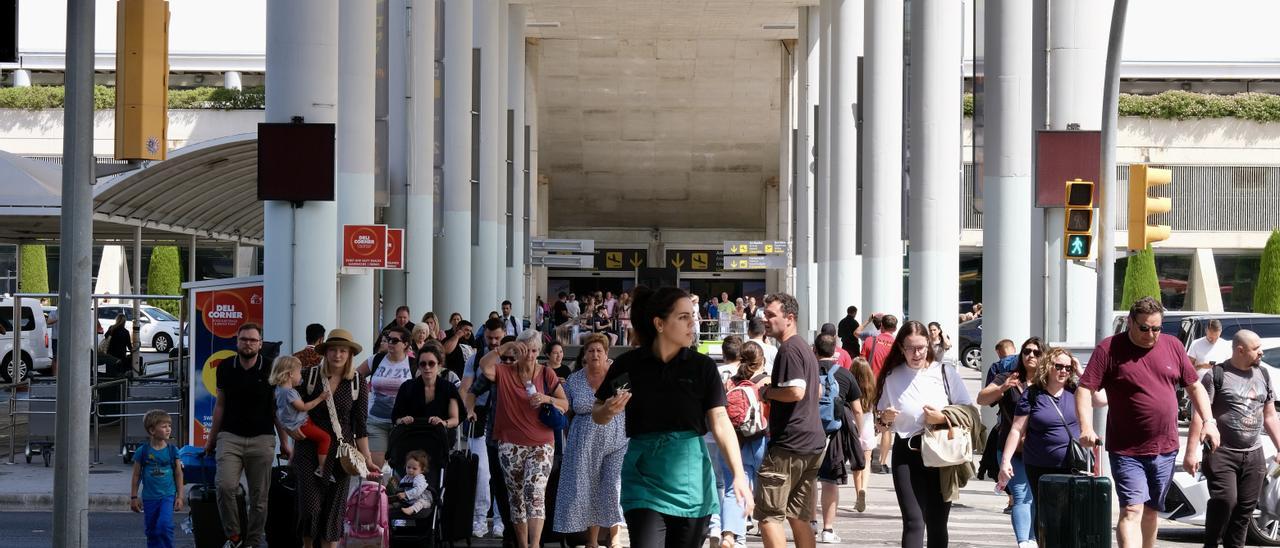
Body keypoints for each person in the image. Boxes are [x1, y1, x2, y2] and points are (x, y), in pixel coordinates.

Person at [593, 286, 753, 548]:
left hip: (691, 480)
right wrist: (608, 410)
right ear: (659, 323)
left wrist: (738, 474)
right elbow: (598, 414)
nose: (693, 323)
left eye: (693, 315)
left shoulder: (703, 367)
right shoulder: (629, 365)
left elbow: (721, 421)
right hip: (642, 477)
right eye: (683, 317)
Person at [1078, 297, 1219, 548]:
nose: (1151, 334)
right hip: (1126, 449)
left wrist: (1209, 421)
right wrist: (1086, 427)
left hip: (1165, 448)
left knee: (1152, 511)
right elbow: (1084, 389)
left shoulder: (1173, 346)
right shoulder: (1109, 348)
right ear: (1131, 322)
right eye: (1144, 328)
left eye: (1156, 328)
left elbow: (1195, 386)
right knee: (1132, 510)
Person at [873, 320, 974, 548]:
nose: (916, 353)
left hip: (941, 453)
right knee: (914, 521)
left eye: (921, 347)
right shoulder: (892, 376)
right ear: (901, 348)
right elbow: (881, 421)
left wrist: (942, 418)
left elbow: (969, 411)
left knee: (937, 522)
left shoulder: (945, 372)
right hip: (906, 453)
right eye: (910, 348)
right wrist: (884, 418)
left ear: (929, 345)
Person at [1183, 330, 1280, 548]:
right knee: (1225, 501)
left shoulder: (1263, 374)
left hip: (1253, 454)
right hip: (1222, 453)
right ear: (1240, 350)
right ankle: (1212, 543)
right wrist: (1191, 453)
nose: (1261, 353)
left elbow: (1270, 414)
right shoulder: (1216, 375)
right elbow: (1199, 414)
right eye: (1256, 349)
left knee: (1244, 509)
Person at [1000, 347, 1106, 544]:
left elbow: (1101, 400)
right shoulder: (1033, 394)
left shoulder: (1076, 390)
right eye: (1059, 366)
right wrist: (1006, 461)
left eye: (1068, 367)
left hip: (1074, 464)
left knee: (1073, 515)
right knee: (1047, 515)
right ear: (1048, 366)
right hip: (1040, 465)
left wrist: (1081, 371)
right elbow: (1016, 430)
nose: (1064, 371)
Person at [204, 323, 294, 548]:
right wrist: (211, 439)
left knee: (259, 499)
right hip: (229, 437)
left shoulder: (271, 368)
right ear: (237, 342)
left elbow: (277, 410)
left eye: (253, 340)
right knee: (225, 486)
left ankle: (253, 541)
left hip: (262, 438)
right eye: (244, 339)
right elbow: (220, 406)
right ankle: (234, 536)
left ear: (260, 344)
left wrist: (285, 441)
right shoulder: (225, 367)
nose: (248, 344)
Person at [478, 332, 568, 548]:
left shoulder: (546, 374)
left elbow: (565, 404)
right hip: (510, 444)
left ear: (539, 352)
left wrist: (547, 398)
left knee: (534, 491)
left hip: (541, 444)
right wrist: (506, 346)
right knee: (516, 497)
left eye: (534, 351)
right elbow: (484, 366)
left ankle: (535, 545)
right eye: (525, 350)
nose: (530, 355)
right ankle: (523, 545)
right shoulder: (504, 371)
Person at [292, 328, 374, 547]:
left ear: (349, 355)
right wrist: (289, 431)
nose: (338, 355)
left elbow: (360, 424)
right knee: (310, 509)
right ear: (325, 352)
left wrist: (366, 458)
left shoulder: (357, 381)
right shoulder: (309, 376)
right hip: (309, 450)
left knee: (333, 512)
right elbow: (285, 406)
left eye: (343, 351)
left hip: (341, 454)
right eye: (333, 350)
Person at [755, 293, 824, 548]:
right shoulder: (805, 348)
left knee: (769, 516)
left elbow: (797, 391)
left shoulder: (788, 349)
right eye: (765, 313)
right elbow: (816, 392)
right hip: (812, 443)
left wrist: (767, 392)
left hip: (788, 446)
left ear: (790, 318)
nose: (765, 318)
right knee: (799, 516)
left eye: (771, 314)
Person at [554, 334, 627, 548]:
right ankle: (592, 541)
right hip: (584, 445)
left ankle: (615, 537)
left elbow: (630, 405)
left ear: (606, 354)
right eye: (591, 350)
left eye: (599, 351)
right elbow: (565, 410)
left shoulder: (619, 376)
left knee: (614, 487)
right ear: (585, 355)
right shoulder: (575, 380)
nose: (595, 354)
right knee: (590, 490)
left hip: (617, 442)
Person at [976, 337, 1043, 546]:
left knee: (1039, 499)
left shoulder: (1048, 381)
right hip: (1011, 449)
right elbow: (982, 399)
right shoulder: (1009, 377)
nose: (1030, 356)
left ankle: (1036, 538)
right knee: (1022, 495)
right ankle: (1026, 542)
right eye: (1027, 352)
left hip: (1043, 451)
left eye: (1036, 352)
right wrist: (1002, 388)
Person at [717, 343, 770, 548]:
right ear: (761, 360)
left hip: (733, 441)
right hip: (758, 440)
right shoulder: (766, 381)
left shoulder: (730, 382)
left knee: (733, 489)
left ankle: (731, 535)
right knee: (763, 488)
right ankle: (763, 526)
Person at [812, 333, 863, 544]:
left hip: (808, 433)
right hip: (835, 435)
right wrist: (857, 433)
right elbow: (858, 410)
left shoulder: (807, 371)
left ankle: (810, 522)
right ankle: (828, 530)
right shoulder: (844, 374)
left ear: (814, 350)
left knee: (808, 480)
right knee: (830, 482)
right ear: (835, 351)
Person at [460, 318, 508, 539]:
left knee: (503, 472)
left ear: (504, 334)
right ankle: (479, 518)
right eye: (490, 338)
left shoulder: (510, 356)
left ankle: (501, 519)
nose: (494, 342)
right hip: (480, 416)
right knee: (482, 472)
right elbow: (466, 388)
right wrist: (467, 411)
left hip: (505, 418)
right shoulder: (476, 358)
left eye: (497, 338)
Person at [355, 326, 415, 469]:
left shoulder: (413, 364)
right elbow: (355, 377)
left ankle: (394, 492)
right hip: (376, 421)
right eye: (388, 339)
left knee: (403, 469)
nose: (390, 343)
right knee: (375, 468)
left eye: (395, 340)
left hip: (403, 423)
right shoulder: (376, 360)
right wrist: (362, 398)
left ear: (405, 344)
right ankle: (376, 491)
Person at [270, 355, 334, 481]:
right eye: (299, 372)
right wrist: (321, 398)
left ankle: (291, 465)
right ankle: (322, 468)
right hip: (302, 424)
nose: (301, 376)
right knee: (325, 438)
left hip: (295, 424)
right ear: (290, 374)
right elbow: (303, 407)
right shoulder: (290, 393)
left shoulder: (278, 389)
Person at [130, 409, 184, 548]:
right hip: (149, 498)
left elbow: (178, 474)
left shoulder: (172, 451)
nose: (168, 429)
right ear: (152, 430)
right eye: (164, 426)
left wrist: (180, 496)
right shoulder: (142, 451)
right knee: (152, 531)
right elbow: (136, 475)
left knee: (164, 527)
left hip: (167, 496)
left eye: (169, 426)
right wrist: (133, 497)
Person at [391, 341, 461, 433]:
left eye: (431, 363)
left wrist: (443, 423)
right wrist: (403, 420)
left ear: (439, 365)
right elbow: (396, 417)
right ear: (418, 366)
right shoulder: (407, 387)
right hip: (411, 434)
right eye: (423, 364)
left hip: (439, 435)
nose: (427, 367)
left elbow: (455, 419)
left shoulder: (449, 388)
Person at [864, 314, 899, 474]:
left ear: (881, 326)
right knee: (886, 428)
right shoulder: (897, 345)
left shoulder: (870, 341)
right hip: (888, 390)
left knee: (866, 424)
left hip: (870, 388)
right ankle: (882, 463)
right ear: (895, 328)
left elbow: (862, 365)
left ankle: (867, 458)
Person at [850, 357, 876, 513]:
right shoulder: (872, 387)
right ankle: (863, 489)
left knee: (856, 464)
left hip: (854, 425)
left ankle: (857, 492)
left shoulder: (850, 386)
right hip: (867, 424)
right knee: (867, 461)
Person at [396, 450, 435, 516]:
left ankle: (411, 510)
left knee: (420, 503)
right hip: (411, 500)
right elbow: (401, 486)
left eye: (414, 468)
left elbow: (418, 490)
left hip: (424, 500)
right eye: (408, 467)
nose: (410, 470)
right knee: (399, 499)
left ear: (422, 470)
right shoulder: (406, 477)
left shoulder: (419, 478)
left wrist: (405, 494)